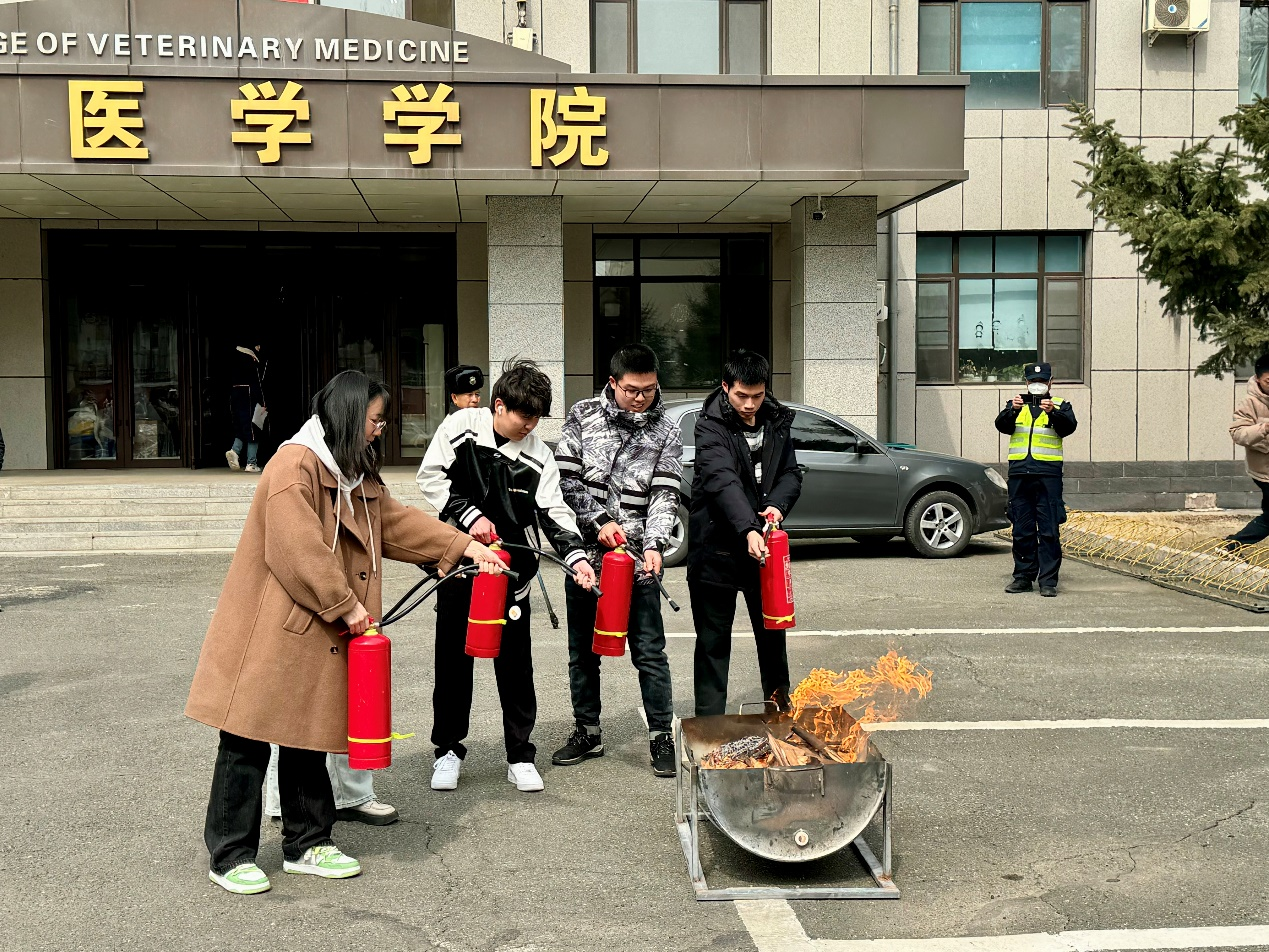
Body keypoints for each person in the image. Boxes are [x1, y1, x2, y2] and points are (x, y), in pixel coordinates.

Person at [186, 370, 505, 896]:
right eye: (376, 419)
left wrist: (462, 545)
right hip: (273, 627)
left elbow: (393, 522)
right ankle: (230, 854)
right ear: (350, 415)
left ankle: (308, 843)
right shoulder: (295, 464)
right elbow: (298, 549)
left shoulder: (353, 469)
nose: (380, 429)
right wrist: (347, 606)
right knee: (246, 739)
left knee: (309, 736)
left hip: (318, 625)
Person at [417, 358, 598, 793]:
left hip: (512, 576)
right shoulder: (461, 426)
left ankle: (520, 755)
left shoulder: (538, 454)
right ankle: (447, 750)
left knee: (516, 669)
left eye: (537, 418)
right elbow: (431, 477)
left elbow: (555, 513)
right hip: (460, 569)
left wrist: (576, 559)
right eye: (523, 416)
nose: (530, 426)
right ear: (498, 405)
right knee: (453, 665)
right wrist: (469, 515)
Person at [551, 344, 683, 777]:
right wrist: (599, 521)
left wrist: (656, 544)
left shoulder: (667, 429)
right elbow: (564, 483)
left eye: (649, 389)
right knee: (582, 653)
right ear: (613, 383)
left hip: (639, 562)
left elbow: (665, 493)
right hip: (586, 560)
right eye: (631, 390)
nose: (641, 398)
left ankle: (661, 735)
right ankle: (587, 731)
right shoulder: (583, 415)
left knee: (650, 652)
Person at [687, 350, 802, 717]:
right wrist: (749, 528)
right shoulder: (709, 426)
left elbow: (790, 473)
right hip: (716, 550)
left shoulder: (777, 420)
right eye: (741, 396)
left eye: (757, 395)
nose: (750, 404)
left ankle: (780, 715)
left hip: (764, 549)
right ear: (726, 387)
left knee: (773, 639)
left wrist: (777, 506)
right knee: (713, 644)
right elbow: (722, 481)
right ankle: (709, 728)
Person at [994, 362, 1078, 597]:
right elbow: (1001, 425)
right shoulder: (1015, 404)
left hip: (1048, 475)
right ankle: (1022, 577)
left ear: (1050, 382)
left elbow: (1068, 428)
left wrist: (1053, 413)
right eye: (1033, 381)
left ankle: (1048, 581)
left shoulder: (1060, 405)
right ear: (1026, 382)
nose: (1037, 385)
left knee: (1049, 529)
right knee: (1022, 529)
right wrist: (1012, 410)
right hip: (1020, 474)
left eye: (1042, 381)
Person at [1225, 355, 1269, 551]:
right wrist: (1264, 428)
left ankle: (1231, 546)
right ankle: (1232, 546)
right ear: (1258, 379)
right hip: (1265, 472)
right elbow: (1238, 433)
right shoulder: (1249, 402)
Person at [226, 342, 266, 474]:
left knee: (240, 427)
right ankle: (251, 463)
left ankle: (235, 450)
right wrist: (263, 402)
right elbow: (257, 383)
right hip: (249, 395)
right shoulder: (250, 359)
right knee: (254, 429)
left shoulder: (233, 358)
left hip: (235, 394)